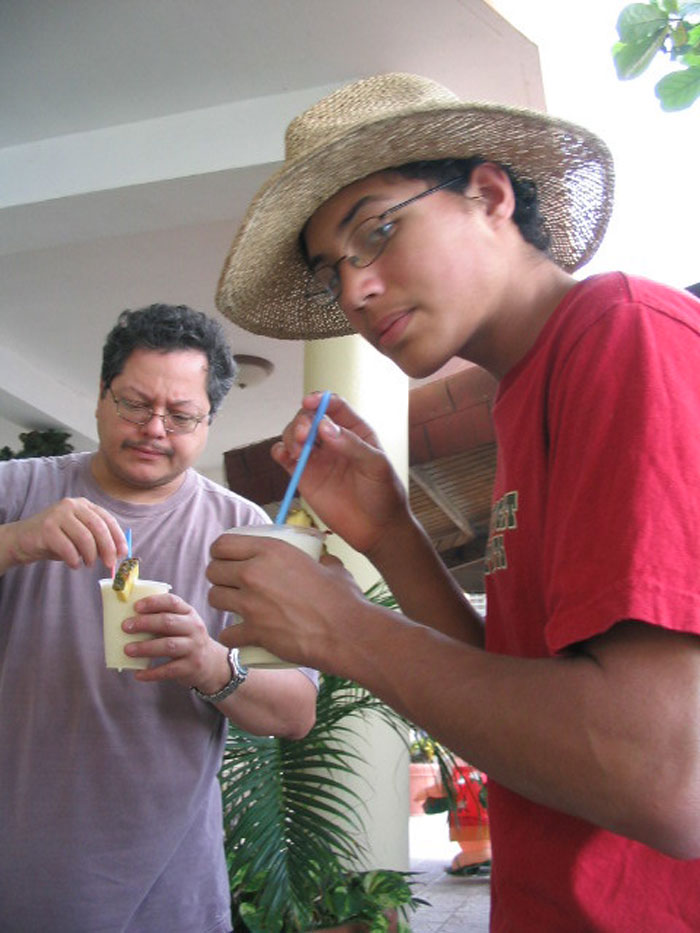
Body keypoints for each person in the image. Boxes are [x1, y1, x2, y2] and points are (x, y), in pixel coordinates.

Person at [208, 73, 700, 931]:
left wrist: (340, 626)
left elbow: (663, 775)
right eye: (335, 272)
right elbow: (517, 720)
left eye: (378, 231)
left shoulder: (622, 333)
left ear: (489, 194)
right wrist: (393, 533)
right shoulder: (526, 388)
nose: (355, 292)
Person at [0, 303, 318, 933]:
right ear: (99, 395)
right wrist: (18, 542)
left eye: (181, 415)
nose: (154, 429)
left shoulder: (248, 533)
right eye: (134, 404)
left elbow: (295, 712)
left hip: (169, 895)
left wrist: (211, 666)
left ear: (209, 422)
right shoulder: (17, 492)